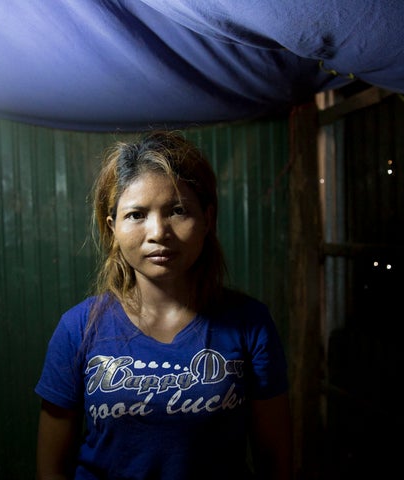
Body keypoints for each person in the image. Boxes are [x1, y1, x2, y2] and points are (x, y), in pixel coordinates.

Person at [35, 130, 292, 480]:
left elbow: (275, 461)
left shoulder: (249, 323)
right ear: (112, 229)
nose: (158, 232)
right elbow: (51, 468)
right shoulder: (77, 329)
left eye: (177, 210)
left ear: (208, 219)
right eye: (136, 215)